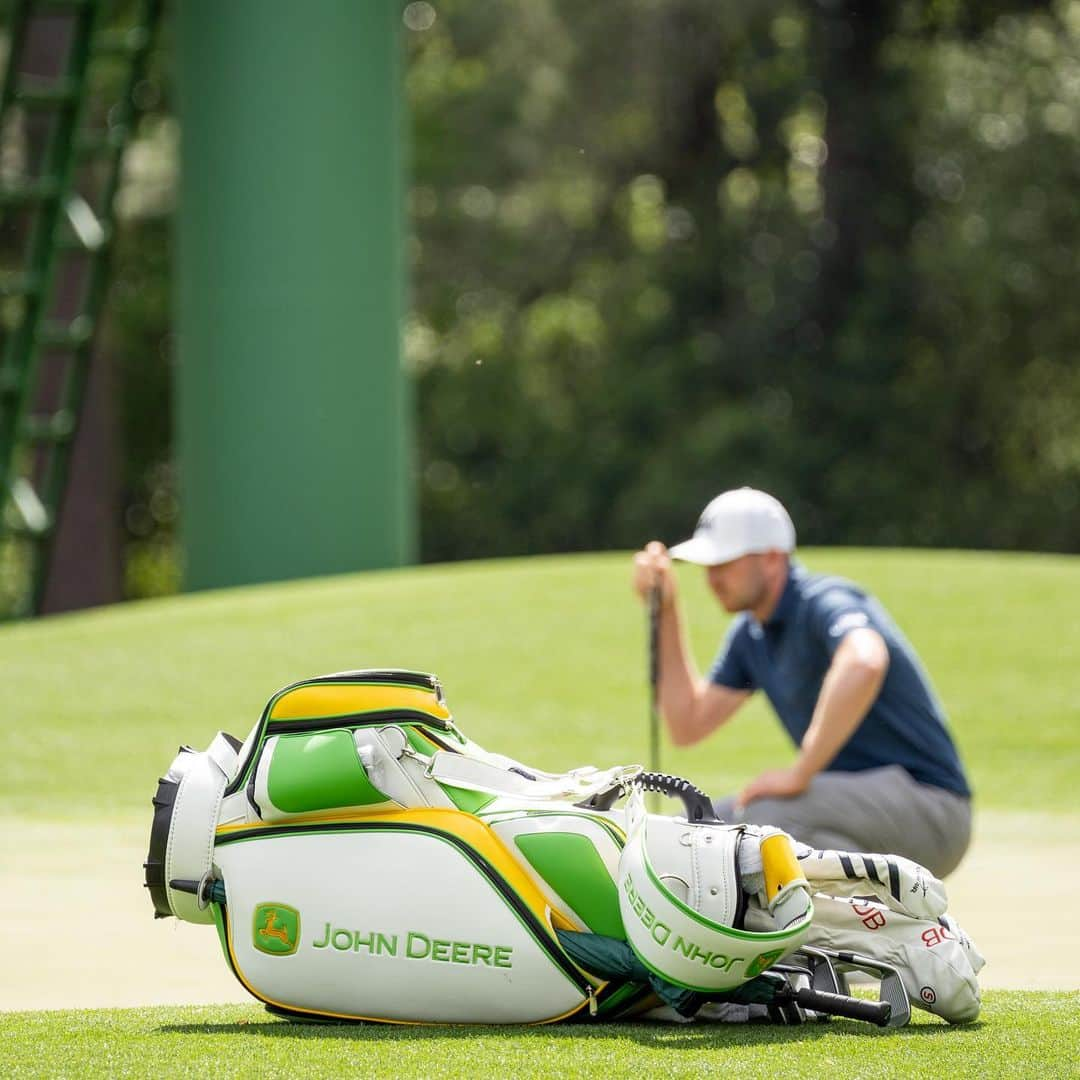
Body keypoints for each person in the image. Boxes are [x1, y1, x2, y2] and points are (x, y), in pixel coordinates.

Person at [632, 487, 972, 877]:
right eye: (708, 565)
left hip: (932, 807)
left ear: (774, 557)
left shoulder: (822, 600)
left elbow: (864, 661)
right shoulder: (752, 635)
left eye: (725, 562)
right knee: (690, 832)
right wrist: (666, 609)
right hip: (860, 810)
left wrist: (801, 772)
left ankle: (872, 927)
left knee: (768, 819)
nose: (712, 577)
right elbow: (687, 723)